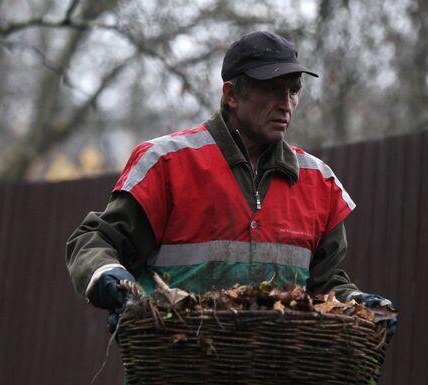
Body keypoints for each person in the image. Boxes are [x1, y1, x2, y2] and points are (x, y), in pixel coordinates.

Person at [66, 31, 397, 339]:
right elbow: (95, 240)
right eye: (273, 89)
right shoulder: (167, 163)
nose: (286, 103)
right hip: (177, 366)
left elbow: (326, 284)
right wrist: (108, 276)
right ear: (231, 94)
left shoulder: (319, 183)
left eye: (293, 90)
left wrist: (356, 303)